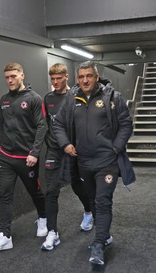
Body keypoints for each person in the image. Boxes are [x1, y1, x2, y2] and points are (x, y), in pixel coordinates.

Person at [54, 61, 135, 265]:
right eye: (81, 77)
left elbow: (126, 123)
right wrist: (65, 144)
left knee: (102, 201)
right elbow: (59, 124)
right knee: (92, 201)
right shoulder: (72, 99)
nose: (85, 80)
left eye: (89, 76)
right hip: (83, 162)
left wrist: (115, 147)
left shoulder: (112, 97)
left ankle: (99, 244)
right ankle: (105, 235)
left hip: (107, 161)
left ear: (96, 77)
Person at [0, 62, 47, 252]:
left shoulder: (34, 99)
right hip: (5, 157)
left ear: (22, 75)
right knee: (5, 195)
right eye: (7, 77)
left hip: (26, 158)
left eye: (13, 76)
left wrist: (35, 153)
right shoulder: (4, 100)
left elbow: (42, 126)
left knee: (34, 192)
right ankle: (5, 235)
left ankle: (43, 218)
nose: (10, 80)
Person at [41, 63, 93, 251]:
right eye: (52, 79)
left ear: (66, 78)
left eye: (59, 79)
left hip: (74, 150)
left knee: (78, 186)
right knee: (51, 190)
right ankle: (52, 232)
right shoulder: (47, 99)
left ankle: (88, 211)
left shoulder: (76, 96)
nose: (55, 82)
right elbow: (46, 124)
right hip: (54, 150)